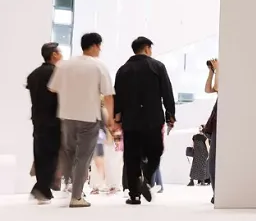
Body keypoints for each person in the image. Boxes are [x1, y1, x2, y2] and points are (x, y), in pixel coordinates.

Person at [47, 33, 115, 208]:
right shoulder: (99, 66)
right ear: (95, 46)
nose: (100, 49)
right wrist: (111, 120)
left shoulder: (64, 65)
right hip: (89, 117)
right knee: (83, 157)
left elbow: (53, 88)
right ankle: (76, 196)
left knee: (68, 153)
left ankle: (70, 185)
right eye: (99, 46)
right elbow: (108, 95)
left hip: (67, 115)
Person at [113, 37, 176, 205]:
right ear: (147, 48)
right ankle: (146, 179)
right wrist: (170, 114)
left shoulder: (122, 70)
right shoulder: (157, 66)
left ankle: (134, 195)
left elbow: (117, 96)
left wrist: (117, 118)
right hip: (153, 118)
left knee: (131, 157)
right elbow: (167, 92)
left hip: (130, 120)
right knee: (156, 151)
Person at [26, 42, 63, 204]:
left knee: (40, 153)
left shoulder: (33, 74)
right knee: (52, 154)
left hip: (38, 119)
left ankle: (43, 189)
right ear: (54, 55)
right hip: (53, 119)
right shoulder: (56, 73)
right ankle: (41, 188)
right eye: (59, 52)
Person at [204, 59, 219, 204]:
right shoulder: (218, 73)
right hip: (217, 124)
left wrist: (218, 69)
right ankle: (216, 193)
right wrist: (211, 71)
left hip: (222, 124)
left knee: (214, 160)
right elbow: (208, 89)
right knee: (212, 161)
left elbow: (217, 86)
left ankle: (218, 193)